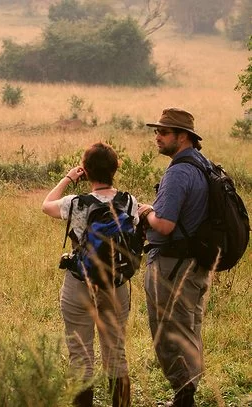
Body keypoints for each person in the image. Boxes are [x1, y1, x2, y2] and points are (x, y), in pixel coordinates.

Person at [42, 142, 137, 407]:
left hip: (79, 284)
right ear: (116, 168)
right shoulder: (129, 202)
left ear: (86, 171)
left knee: (80, 355)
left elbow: (45, 205)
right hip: (116, 285)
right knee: (116, 354)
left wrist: (69, 178)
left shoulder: (75, 204)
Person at [137, 108, 211, 407]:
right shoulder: (204, 165)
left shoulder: (179, 171)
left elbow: (165, 224)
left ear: (182, 137)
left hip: (173, 266)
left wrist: (146, 211)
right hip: (195, 263)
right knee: (188, 327)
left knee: (169, 332)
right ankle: (188, 391)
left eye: (163, 132)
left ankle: (184, 397)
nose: (157, 137)